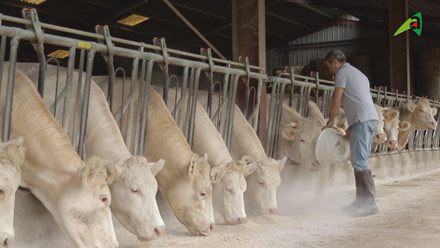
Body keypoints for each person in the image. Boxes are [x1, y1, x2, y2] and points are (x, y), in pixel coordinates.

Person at [324, 50, 379, 217]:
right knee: (359, 160)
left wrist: (331, 120)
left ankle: (369, 204)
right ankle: (360, 201)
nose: (330, 71)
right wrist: (351, 126)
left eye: (329, 67)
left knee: (360, 161)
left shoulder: (343, 72)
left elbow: (337, 98)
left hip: (363, 120)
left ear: (335, 62)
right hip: (368, 119)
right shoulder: (359, 74)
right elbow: (359, 99)